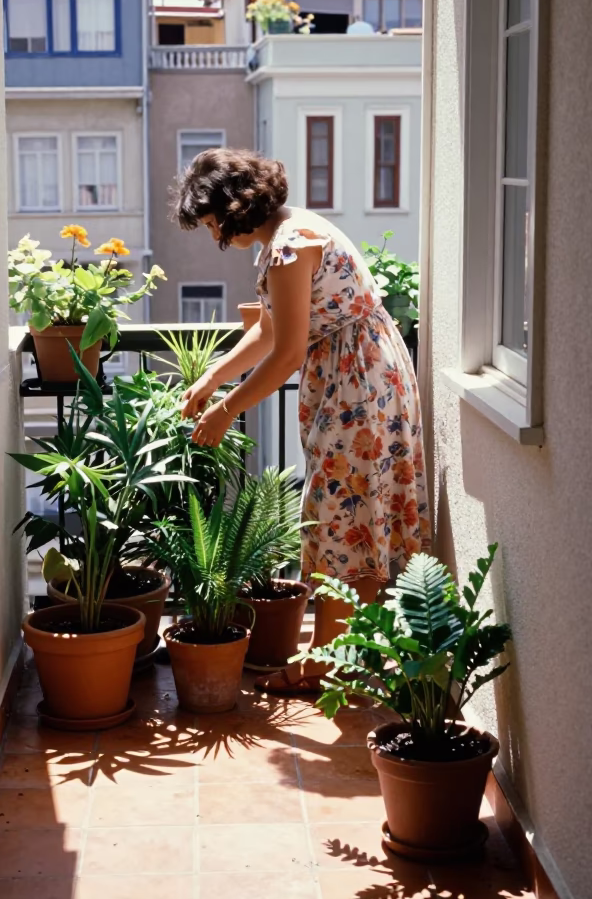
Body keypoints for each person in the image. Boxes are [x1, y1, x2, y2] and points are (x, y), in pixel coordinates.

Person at [174, 148, 431, 696]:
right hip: (357, 375)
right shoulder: (288, 236)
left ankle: (328, 664)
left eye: (212, 221)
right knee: (352, 513)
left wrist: (226, 410)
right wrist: (212, 378)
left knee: (340, 513)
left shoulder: (291, 248)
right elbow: (269, 333)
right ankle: (349, 659)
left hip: (357, 382)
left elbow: (287, 351)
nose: (214, 233)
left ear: (233, 207)